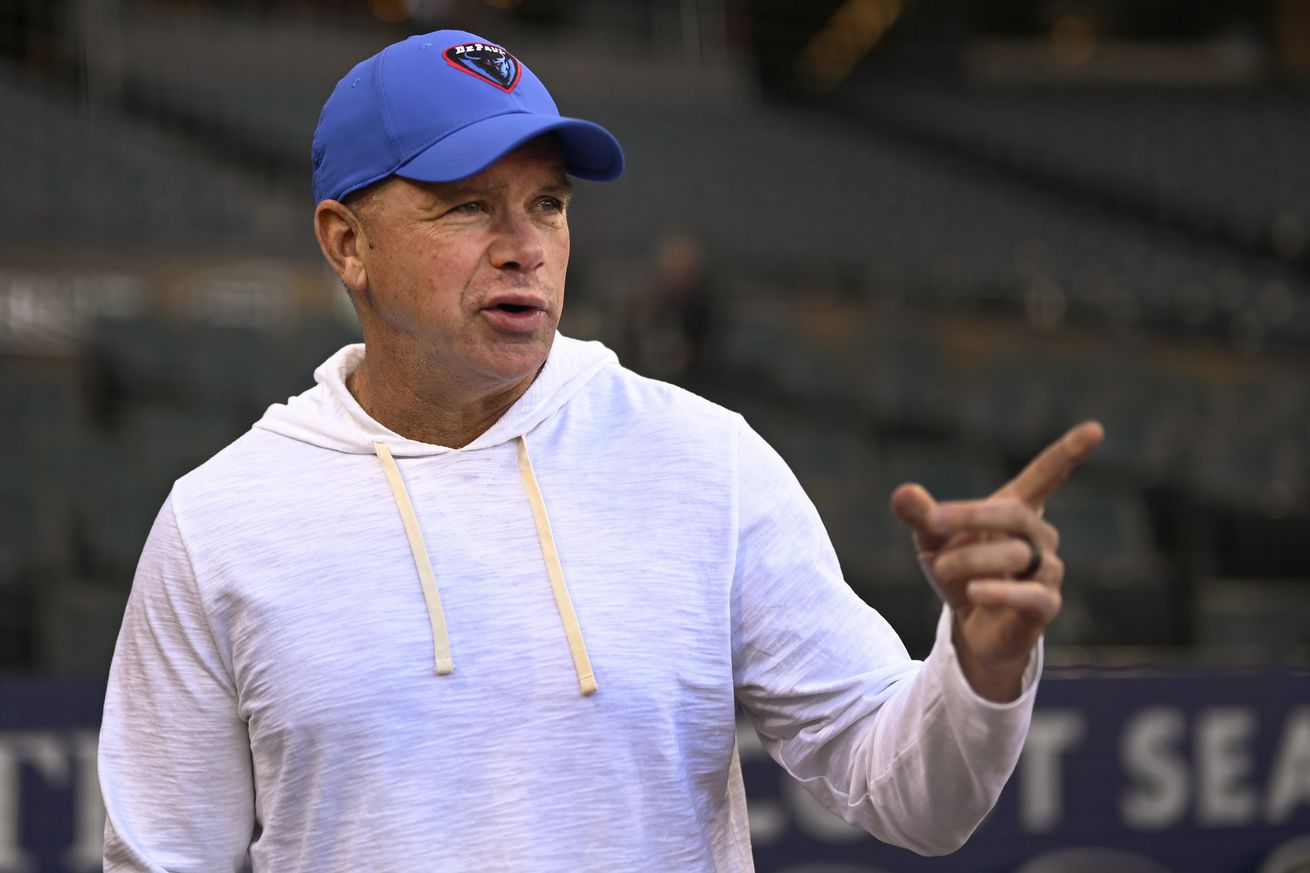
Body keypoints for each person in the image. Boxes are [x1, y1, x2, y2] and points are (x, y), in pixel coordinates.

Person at [97, 29, 1103, 872]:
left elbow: (911, 798)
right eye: (466, 203)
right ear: (346, 242)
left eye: (546, 204)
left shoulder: (705, 462)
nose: (522, 244)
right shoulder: (219, 521)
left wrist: (977, 666)